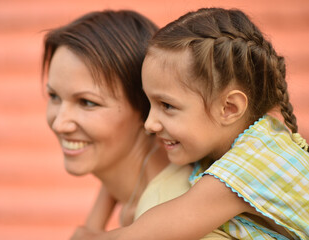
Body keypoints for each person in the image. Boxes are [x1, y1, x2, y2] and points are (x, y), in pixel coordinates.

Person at [75, 7, 309, 240]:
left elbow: (155, 232)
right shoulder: (231, 140)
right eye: (150, 104)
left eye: (167, 105)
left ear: (229, 108)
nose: (150, 124)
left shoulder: (254, 160)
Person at [42, 9, 231, 239]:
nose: (60, 123)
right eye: (54, 97)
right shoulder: (134, 179)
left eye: (87, 102)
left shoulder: (168, 218)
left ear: (145, 108)